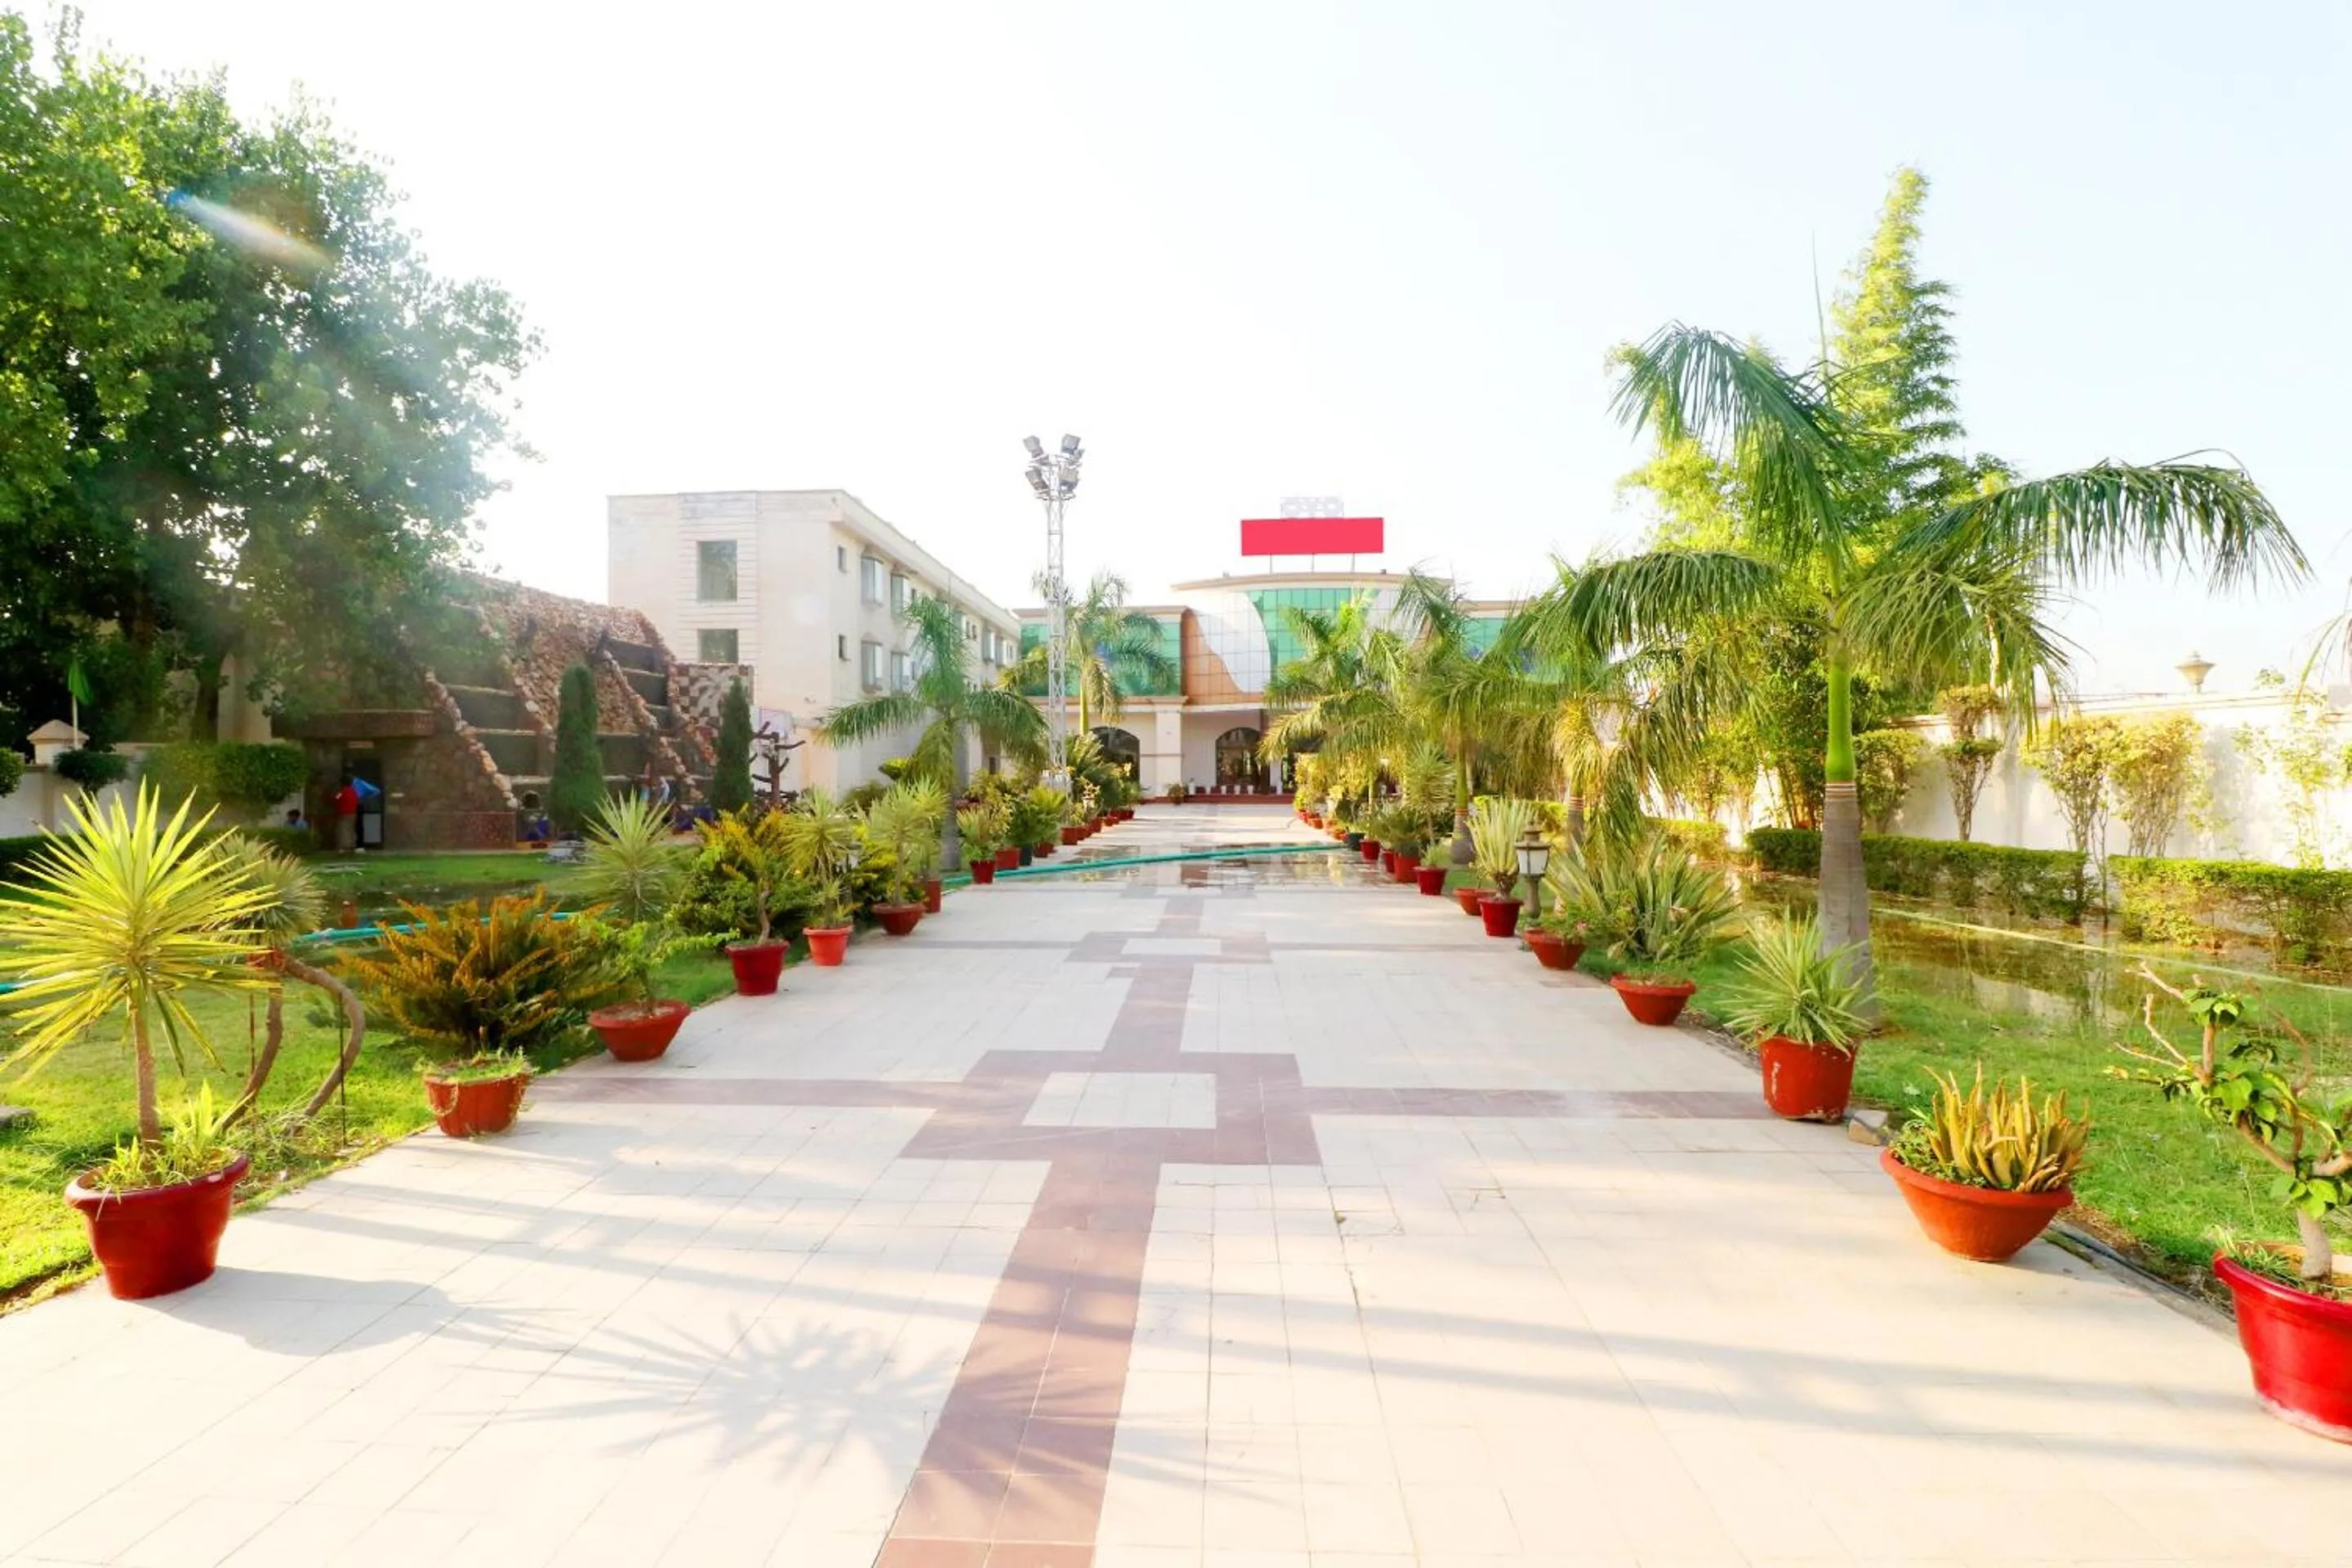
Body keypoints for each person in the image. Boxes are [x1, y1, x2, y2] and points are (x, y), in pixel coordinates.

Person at [332, 776, 360, 853]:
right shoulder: (354, 792)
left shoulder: (341, 792)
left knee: (343, 829)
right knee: (351, 829)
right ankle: (352, 844)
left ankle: (344, 846)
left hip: (343, 813)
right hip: (353, 813)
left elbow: (336, 799)